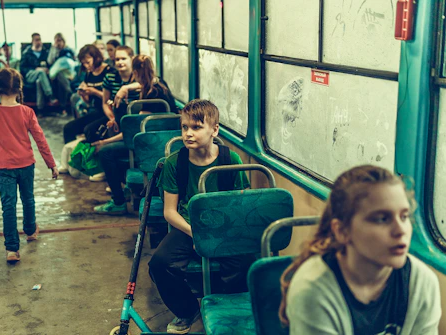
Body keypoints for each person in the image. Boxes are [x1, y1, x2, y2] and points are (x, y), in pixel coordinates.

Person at [280, 165, 441, 335]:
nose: (401, 230)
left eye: (404, 216)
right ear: (342, 231)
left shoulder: (421, 282)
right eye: (381, 219)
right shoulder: (313, 290)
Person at [147, 99, 253, 334]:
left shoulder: (231, 161)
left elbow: (240, 207)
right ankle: (186, 310)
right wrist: (196, 234)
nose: (188, 134)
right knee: (160, 264)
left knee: (245, 261)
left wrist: (218, 236)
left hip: (223, 226)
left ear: (214, 130)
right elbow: (170, 212)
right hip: (188, 225)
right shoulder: (175, 163)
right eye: (184, 127)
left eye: (196, 127)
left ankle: (227, 311)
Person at [0, 68, 59, 263]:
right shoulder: (27, 112)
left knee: (8, 206)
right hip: (26, 165)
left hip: (4, 168)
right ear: (19, 88)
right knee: (28, 199)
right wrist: (51, 164)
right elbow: (40, 140)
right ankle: (31, 230)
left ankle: (12, 250)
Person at [93, 54, 177, 210]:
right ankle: (127, 190)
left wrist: (104, 142)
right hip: (170, 139)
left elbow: (133, 136)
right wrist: (125, 87)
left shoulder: (149, 95)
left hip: (153, 143)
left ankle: (118, 201)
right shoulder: (160, 85)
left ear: (136, 72)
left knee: (106, 152)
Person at [83, 45, 140, 183]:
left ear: (132, 59)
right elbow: (105, 102)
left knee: (108, 147)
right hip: (115, 115)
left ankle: (117, 178)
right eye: (117, 59)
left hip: (133, 120)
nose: (120, 62)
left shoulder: (138, 76)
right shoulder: (110, 77)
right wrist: (112, 117)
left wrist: (125, 88)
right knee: (91, 130)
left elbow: (149, 83)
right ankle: (106, 171)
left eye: (123, 58)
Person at [62, 44, 114, 144]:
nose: (86, 66)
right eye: (83, 63)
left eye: (88, 62)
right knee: (68, 128)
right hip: (96, 110)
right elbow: (88, 102)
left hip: (109, 112)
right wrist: (83, 94)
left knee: (89, 130)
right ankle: (73, 157)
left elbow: (112, 98)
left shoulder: (109, 72)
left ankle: (91, 156)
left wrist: (94, 91)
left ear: (96, 58)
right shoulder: (89, 74)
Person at [20, 33, 56, 111]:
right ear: (32, 41)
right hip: (30, 75)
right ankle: (50, 95)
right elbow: (22, 68)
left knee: (39, 81)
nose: (38, 42)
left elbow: (50, 64)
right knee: (40, 73)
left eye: (39, 40)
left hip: (43, 77)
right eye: (36, 40)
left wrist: (47, 70)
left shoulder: (45, 53)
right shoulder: (26, 53)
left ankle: (40, 109)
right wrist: (36, 69)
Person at [47, 33, 76, 114]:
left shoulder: (69, 49)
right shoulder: (53, 50)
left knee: (61, 83)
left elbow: (75, 62)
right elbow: (50, 62)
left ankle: (63, 108)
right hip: (58, 74)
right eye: (56, 41)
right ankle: (68, 94)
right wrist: (54, 49)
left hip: (69, 73)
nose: (58, 43)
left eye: (60, 41)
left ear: (63, 41)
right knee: (60, 78)